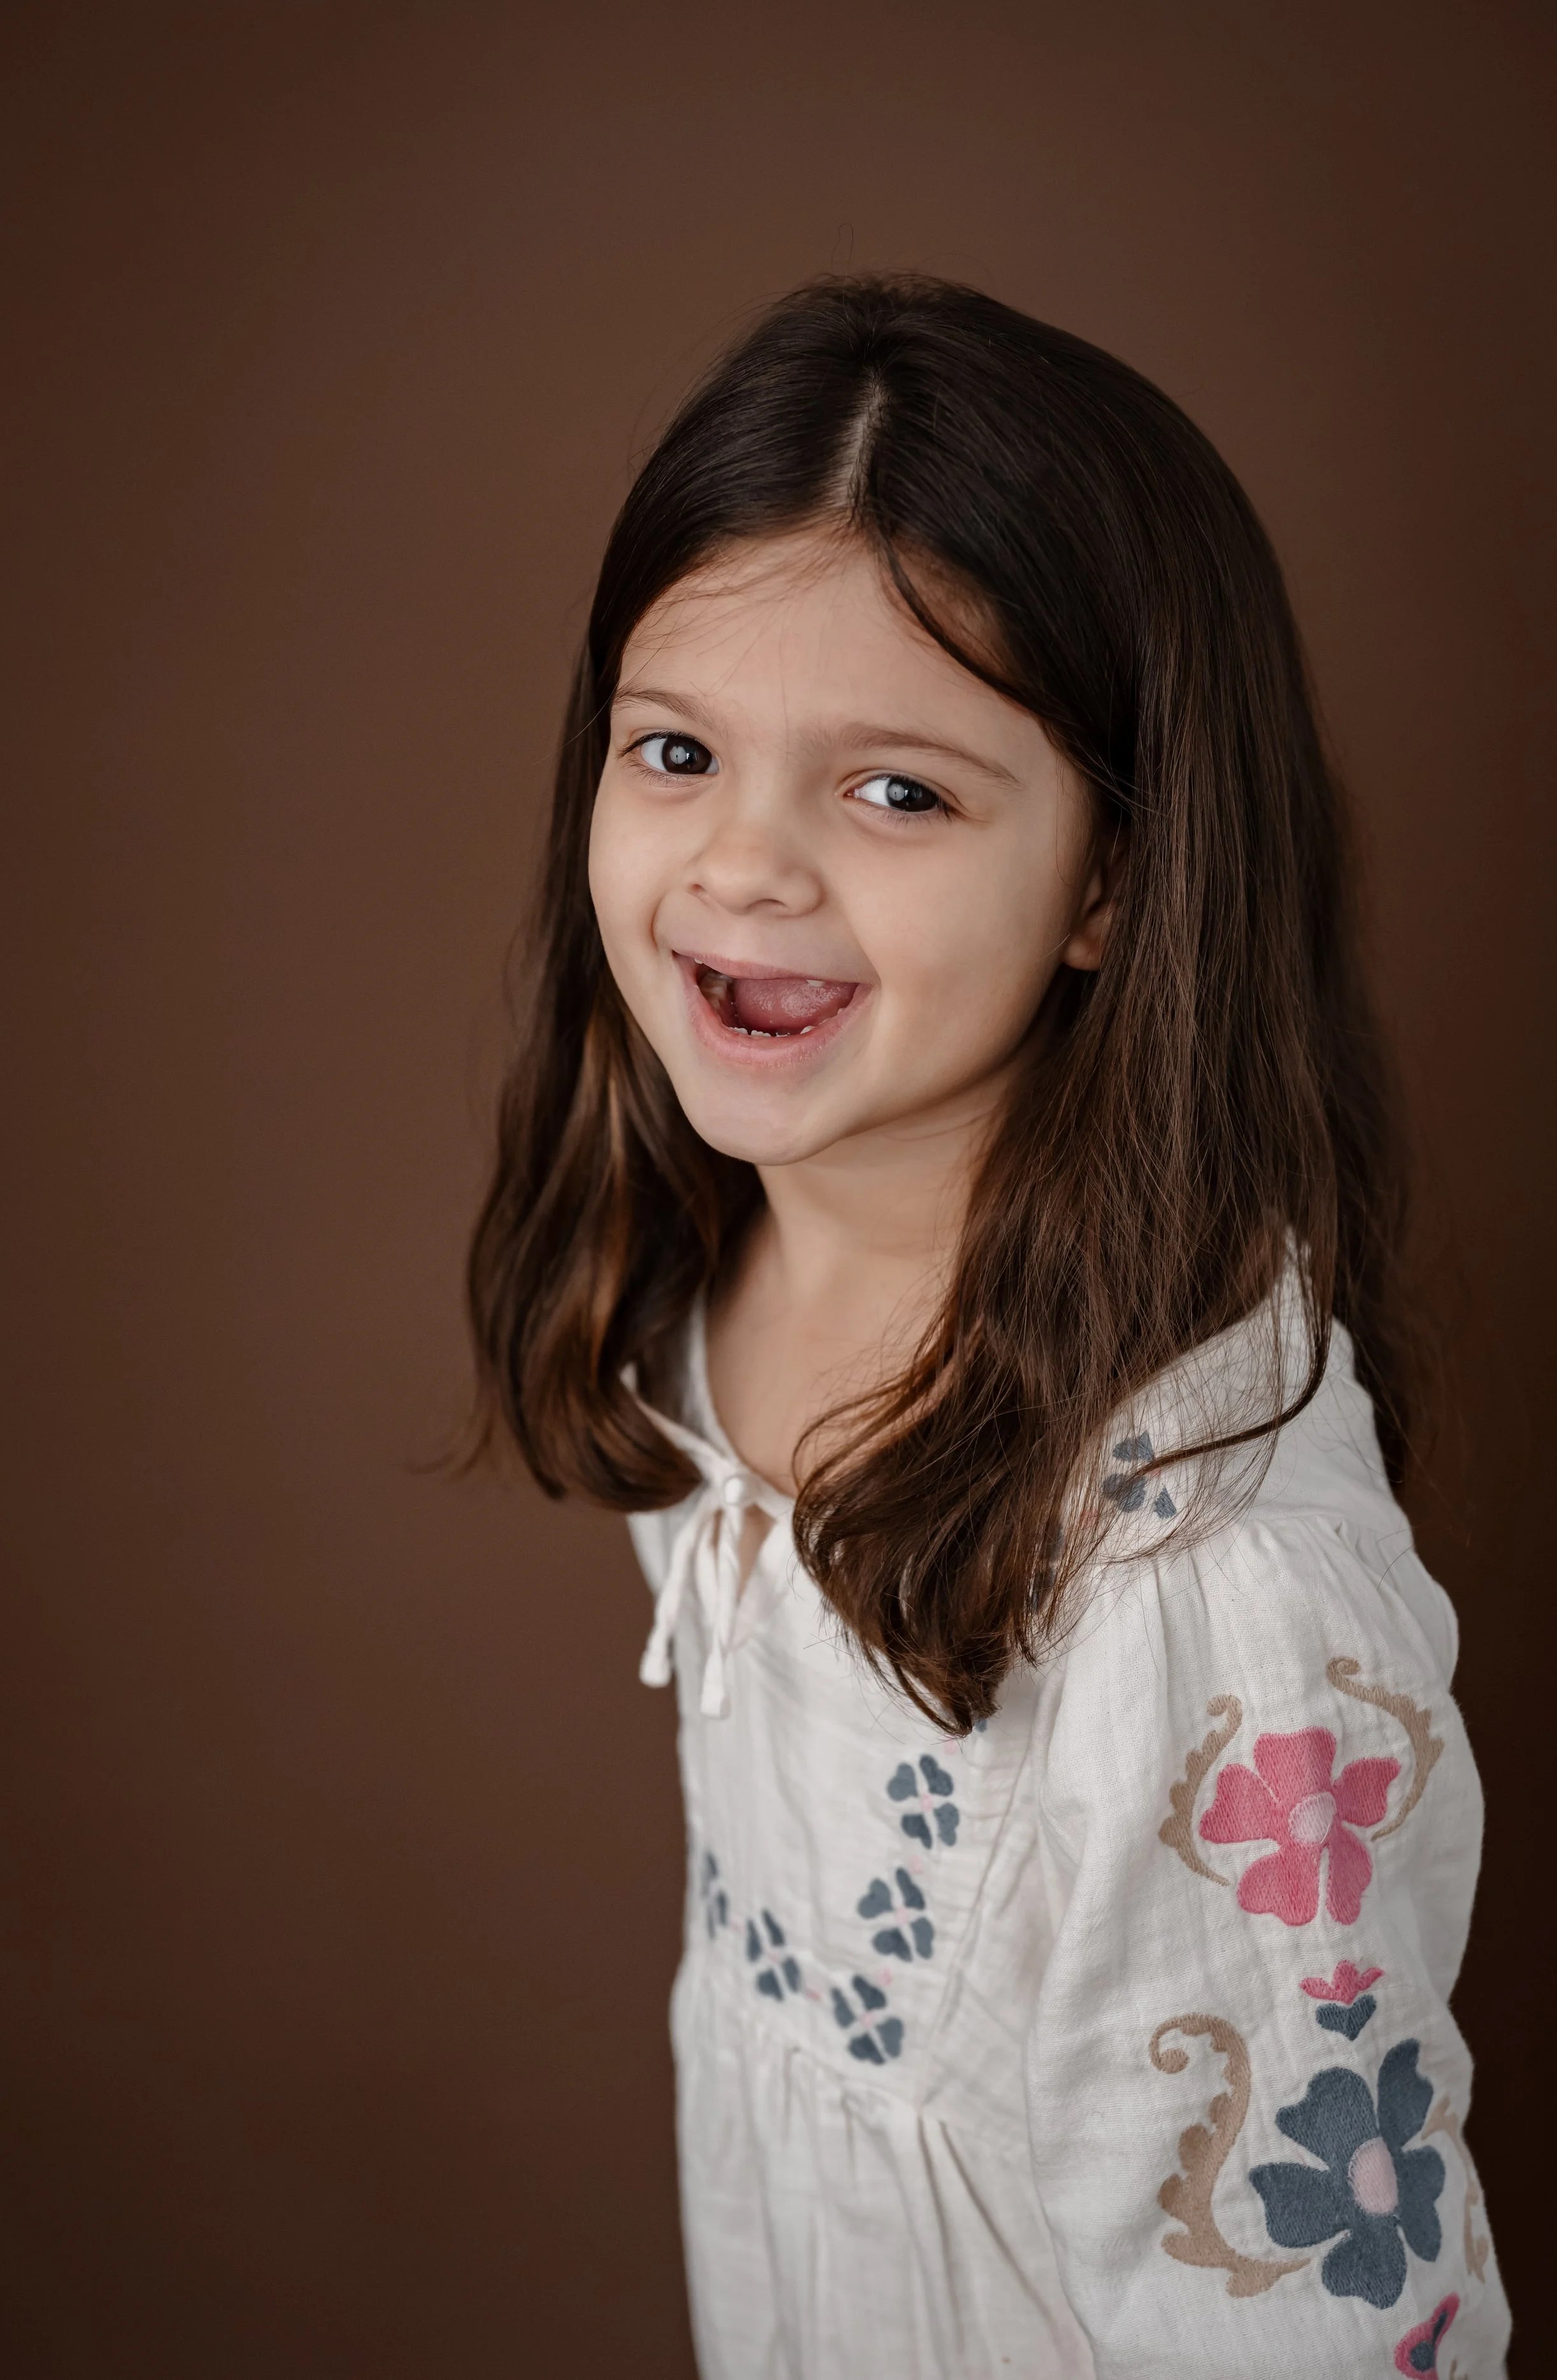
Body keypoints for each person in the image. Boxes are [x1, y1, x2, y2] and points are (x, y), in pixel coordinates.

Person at [466, 277, 1509, 2379]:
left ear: (1113, 881)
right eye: (677, 752)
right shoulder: (703, 1259)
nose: (740, 864)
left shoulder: (1203, 1595)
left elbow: (1321, 2311)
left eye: (898, 794)